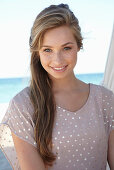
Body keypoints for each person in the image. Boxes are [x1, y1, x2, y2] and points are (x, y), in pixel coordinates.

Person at [0, 4, 114, 170]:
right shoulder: (23, 106)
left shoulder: (105, 99)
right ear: (37, 52)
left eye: (66, 48)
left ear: (78, 46)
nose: (58, 60)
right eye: (48, 50)